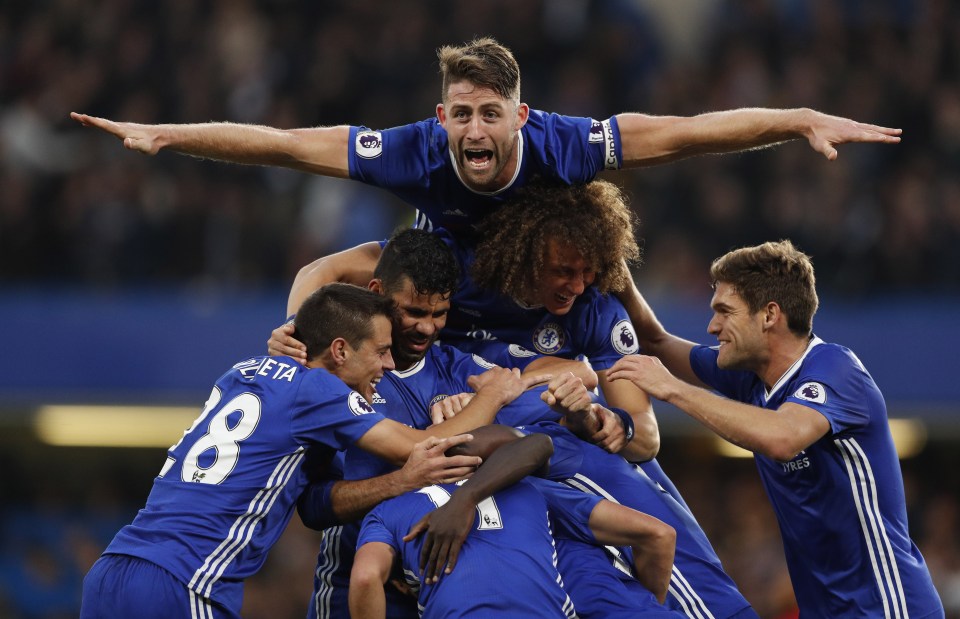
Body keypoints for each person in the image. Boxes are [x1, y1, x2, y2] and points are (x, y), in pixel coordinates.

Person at [287, 229, 759, 619]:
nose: (428, 327)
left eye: (439, 314)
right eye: (414, 313)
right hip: (366, 556)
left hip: (455, 562)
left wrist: (551, 404)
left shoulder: (458, 368)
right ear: (378, 296)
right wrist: (403, 480)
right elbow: (312, 505)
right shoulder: (331, 380)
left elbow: (543, 402)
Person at [70, 37, 901, 237]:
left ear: (519, 116)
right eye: (460, 114)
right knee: (328, 275)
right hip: (446, 286)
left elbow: (688, 133)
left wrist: (795, 119)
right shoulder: (409, 150)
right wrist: (169, 135)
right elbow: (285, 142)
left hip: (543, 275)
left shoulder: (565, 145)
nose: (473, 128)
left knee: (633, 322)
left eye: (488, 114)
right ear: (442, 119)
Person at [79, 283, 537, 619]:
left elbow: (315, 504)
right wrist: (492, 395)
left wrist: (395, 482)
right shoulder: (318, 392)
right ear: (339, 350)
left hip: (114, 567)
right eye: (379, 351)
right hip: (184, 581)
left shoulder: (242, 371)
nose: (390, 364)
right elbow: (419, 447)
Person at [607, 239, 945, 618]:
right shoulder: (751, 379)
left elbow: (783, 437)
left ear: (769, 315)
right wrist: (608, 256)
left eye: (724, 311)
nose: (712, 326)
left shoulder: (835, 369)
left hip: (887, 606)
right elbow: (656, 340)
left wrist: (673, 389)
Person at [351, 428, 680, 619]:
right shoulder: (527, 487)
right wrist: (641, 605)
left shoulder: (386, 513)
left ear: (400, 586)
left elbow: (365, 579)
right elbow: (659, 533)